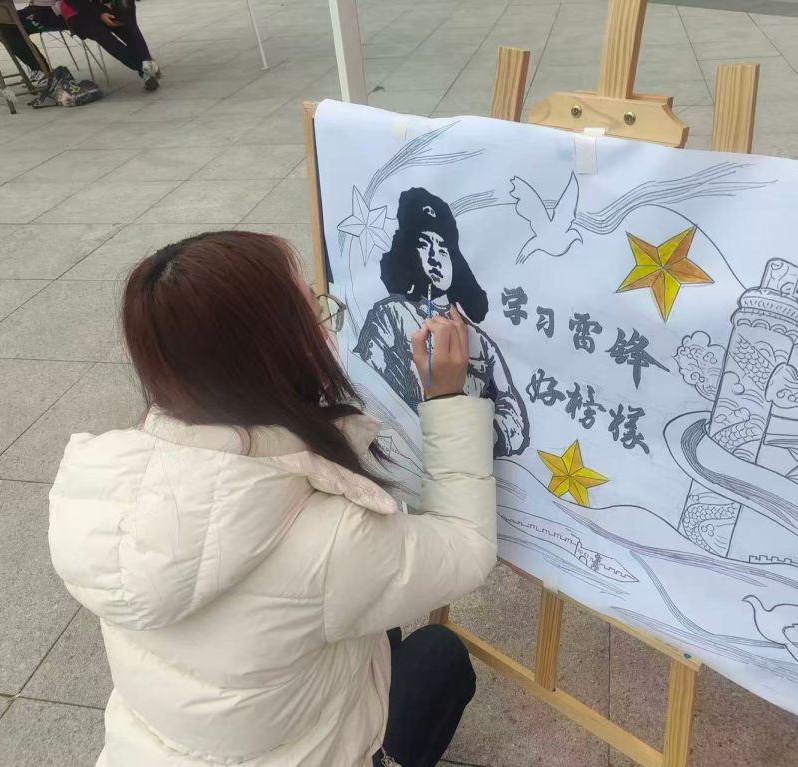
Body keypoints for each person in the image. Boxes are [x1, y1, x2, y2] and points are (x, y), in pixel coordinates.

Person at [47, 231, 494, 767]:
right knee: (441, 656)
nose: (327, 325)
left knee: (380, 622)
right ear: (281, 352)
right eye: (315, 311)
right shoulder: (334, 541)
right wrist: (447, 398)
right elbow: (468, 545)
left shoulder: (108, 488)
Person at [355, 187, 530, 458]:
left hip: (471, 466)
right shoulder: (390, 315)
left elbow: (513, 412)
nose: (434, 257)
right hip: (406, 462)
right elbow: (366, 392)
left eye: (443, 248)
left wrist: (476, 437)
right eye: (424, 245)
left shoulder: (481, 341)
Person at [0, 0, 161, 91]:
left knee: (115, 26)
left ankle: (144, 65)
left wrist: (99, 12)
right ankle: (145, 65)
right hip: (69, 8)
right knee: (1, 25)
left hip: (68, 10)